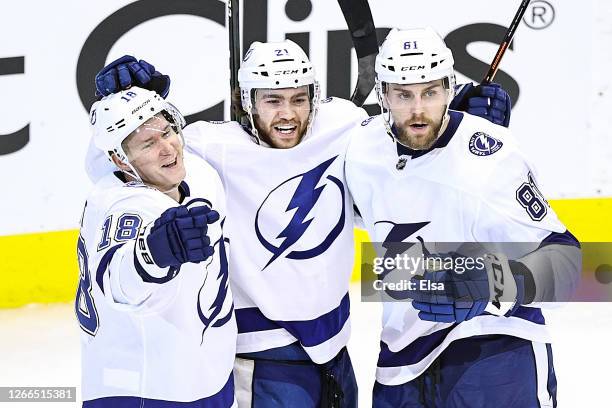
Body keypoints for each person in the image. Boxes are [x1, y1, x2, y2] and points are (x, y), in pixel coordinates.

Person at [88, 39, 511, 407]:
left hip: (337, 351)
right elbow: (119, 166)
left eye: (298, 98)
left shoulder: (344, 126)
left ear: (315, 96)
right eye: (272, 100)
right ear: (247, 101)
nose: (287, 114)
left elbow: (405, 146)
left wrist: (455, 121)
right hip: (262, 360)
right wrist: (131, 103)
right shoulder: (207, 146)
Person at [345, 27, 581, 407]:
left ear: (450, 88)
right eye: (403, 94)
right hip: (400, 363)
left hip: (494, 351)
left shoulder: (491, 157)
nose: (418, 109)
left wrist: (493, 281)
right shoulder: (359, 150)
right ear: (382, 94)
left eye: (430, 92)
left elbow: (571, 265)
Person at [77, 87, 236, 407]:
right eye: (149, 143)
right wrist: (151, 253)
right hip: (143, 393)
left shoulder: (194, 173)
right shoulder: (124, 207)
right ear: (120, 160)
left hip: (203, 378)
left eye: (167, 132)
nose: (168, 148)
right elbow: (117, 281)